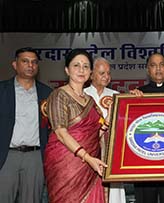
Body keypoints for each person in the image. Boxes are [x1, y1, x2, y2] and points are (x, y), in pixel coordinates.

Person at [44, 49, 108, 203]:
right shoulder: (58, 95)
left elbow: (95, 134)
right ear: (67, 70)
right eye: (76, 65)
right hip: (66, 163)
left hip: (91, 162)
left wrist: (107, 124)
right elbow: (60, 133)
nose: (81, 70)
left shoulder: (91, 100)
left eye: (86, 66)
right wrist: (87, 158)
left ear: (91, 72)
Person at [0, 47, 52, 202]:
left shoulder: (47, 93)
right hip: (6, 155)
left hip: (35, 158)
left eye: (34, 62)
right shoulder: (2, 90)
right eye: (25, 61)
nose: (30, 65)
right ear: (15, 65)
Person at [130, 52, 164, 203]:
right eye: (153, 65)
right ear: (148, 70)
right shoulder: (138, 94)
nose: (158, 69)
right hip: (144, 164)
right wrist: (130, 101)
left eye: (161, 65)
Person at [84, 56, 126, 203]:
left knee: (113, 192)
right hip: (88, 150)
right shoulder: (82, 95)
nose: (107, 77)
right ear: (91, 75)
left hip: (112, 150)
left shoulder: (117, 96)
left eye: (108, 73)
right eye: (102, 73)